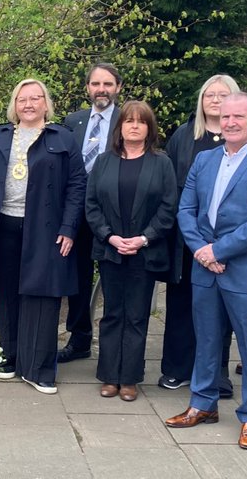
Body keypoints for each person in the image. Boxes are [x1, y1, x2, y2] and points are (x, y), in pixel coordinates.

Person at [164, 93, 247, 451]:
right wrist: (202, 253)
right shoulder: (204, 160)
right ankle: (202, 404)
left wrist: (218, 250)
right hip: (205, 269)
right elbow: (186, 209)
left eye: (239, 116)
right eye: (225, 116)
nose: (231, 122)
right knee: (205, 340)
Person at [0, 78, 87, 395]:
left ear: (46, 104)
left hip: (45, 231)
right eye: (23, 99)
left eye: (36, 98)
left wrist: (69, 228)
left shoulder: (62, 137)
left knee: (42, 296)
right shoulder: (0, 136)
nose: (29, 104)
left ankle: (39, 370)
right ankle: (10, 358)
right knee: (6, 294)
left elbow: (78, 185)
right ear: (15, 105)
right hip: (4, 226)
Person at [85, 100, 176, 401]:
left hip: (144, 252)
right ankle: (110, 376)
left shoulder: (161, 163)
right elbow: (92, 204)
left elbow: (168, 207)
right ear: (120, 127)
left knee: (136, 315)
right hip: (111, 250)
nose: (134, 125)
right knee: (112, 313)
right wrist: (109, 237)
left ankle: (130, 378)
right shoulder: (104, 162)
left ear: (149, 128)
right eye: (128, 121)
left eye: (141, 121)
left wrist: (144, 238)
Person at [160, 75, 240, 395]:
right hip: (187, 238)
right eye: (210, 95)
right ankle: (177, 368)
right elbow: (171, 186)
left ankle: (217, 372)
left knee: (221, 309)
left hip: (226, 242)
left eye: (223, 95)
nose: (216, 100)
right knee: (182, 305)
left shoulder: (243, 137)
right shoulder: (184, 135)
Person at [58, 62, 122, 364]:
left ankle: (116, 344)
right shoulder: (73, 121)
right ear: (88, 88)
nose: (102, 90)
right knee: (78, 277)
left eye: (108, 84)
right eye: (96, 84)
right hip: (77, 210)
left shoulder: (128, 120)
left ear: (118, 88)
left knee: (113, 278)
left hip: (115, 213)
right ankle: (80, 338)